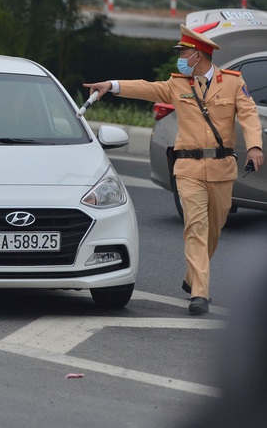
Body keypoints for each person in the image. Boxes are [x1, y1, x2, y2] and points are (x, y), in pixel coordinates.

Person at [83, 25, 264, 315]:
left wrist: (254, 146)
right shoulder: (178, 84)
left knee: (213, 231)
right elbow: (146, 87)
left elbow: (249, 115)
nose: (180, 57)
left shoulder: (231, 82)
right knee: (195, 228)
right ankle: (200, 293)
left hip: (221, 169)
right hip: (188, 168)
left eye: (184, 52)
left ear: (199, 55)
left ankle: (192, 276)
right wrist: (112, 85)